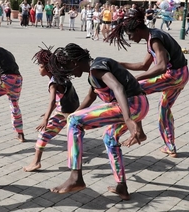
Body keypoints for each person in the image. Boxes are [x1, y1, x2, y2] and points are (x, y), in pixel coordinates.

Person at [49, 43, 149, 200]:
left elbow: (118, 88)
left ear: (74, 62)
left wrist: (128, 119)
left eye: (68, 68)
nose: (70, 74)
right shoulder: (94, 72)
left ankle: (76, 177)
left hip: (131, 105)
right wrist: (74, 113)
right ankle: (121, 186)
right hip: (139, 105)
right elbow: (91, 96)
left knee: (74, 121)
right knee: (109, 137)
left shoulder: (97, 68)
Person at [107, 8, 189, 158]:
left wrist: (135, 79)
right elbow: (144, 65)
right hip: (182, 75)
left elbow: (162, 66)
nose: (130, 39)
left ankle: (134, 132)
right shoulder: (152, 37)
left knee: (134, 89)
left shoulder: (155, 39)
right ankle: (170, 146)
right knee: (164, 108)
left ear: (138, 30)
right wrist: (119, 64)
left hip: (174, 76)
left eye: (130, 35)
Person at [23, 45, 79, 172]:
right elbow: (61, 98)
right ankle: (75, 160)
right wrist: (48, 112)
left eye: (41, 66)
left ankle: (36, 162)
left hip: (64, 113)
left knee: (43, 134)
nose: (39, 69)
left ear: (47, 68)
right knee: (74, 136)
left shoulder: (53, 82)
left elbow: (52, 100)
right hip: (73, 110)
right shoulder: (61, 76)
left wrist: (46, 119)